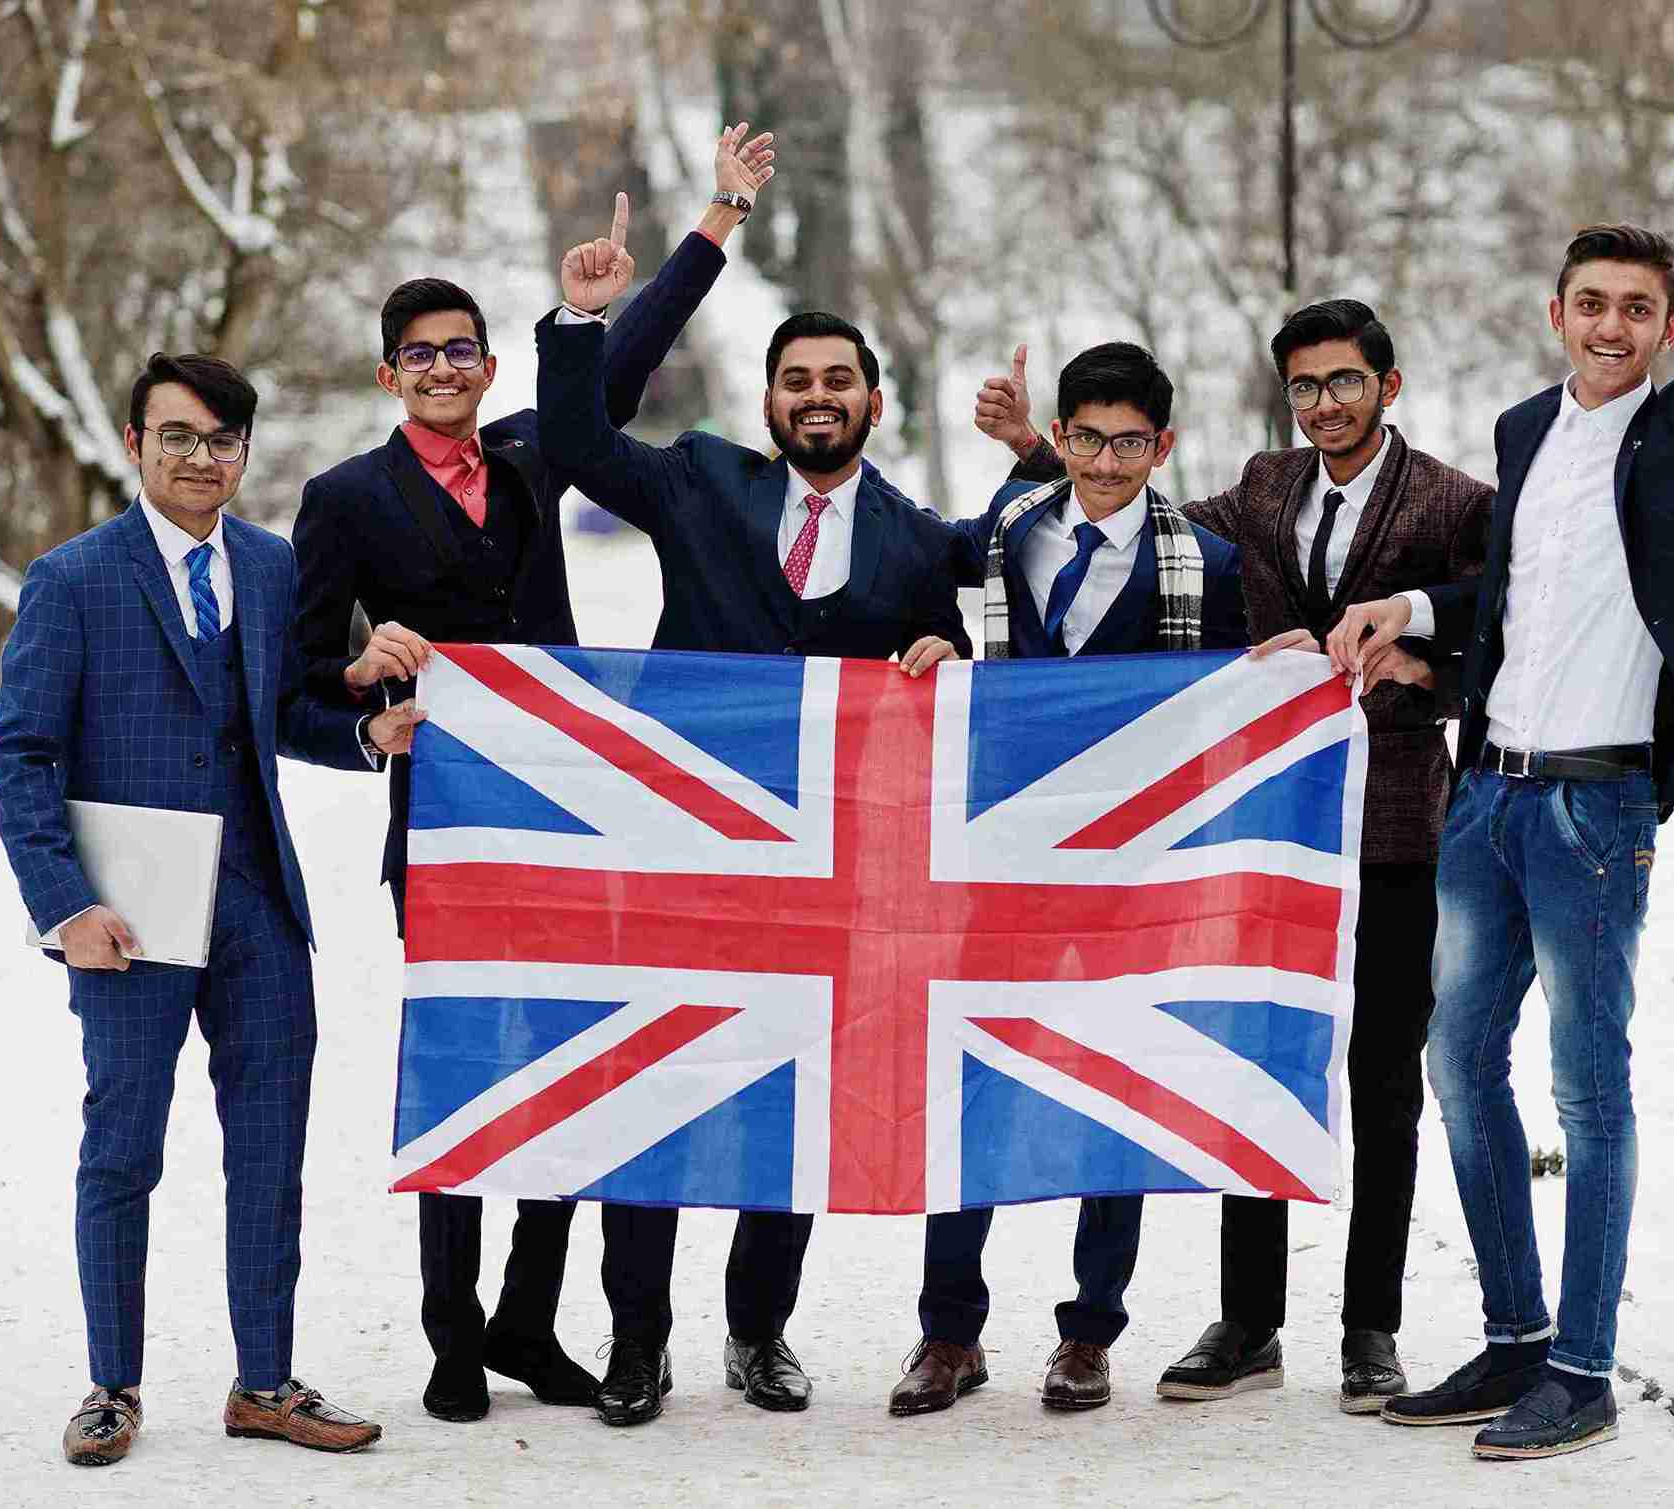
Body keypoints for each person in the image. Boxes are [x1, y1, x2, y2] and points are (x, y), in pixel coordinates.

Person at [1329, 41, 1674, 1460]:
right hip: (1484, 797)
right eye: (1593, 304)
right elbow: (1516, 597)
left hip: (1598, 807)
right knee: (1455, 1060)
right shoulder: (1522, 431)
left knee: (1588, 1086)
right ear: (1557, 312)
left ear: (1666, 327)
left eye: (1638, 309)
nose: (1611, 325)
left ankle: (1588, 1361)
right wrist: (1416, 606)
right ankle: (1509, 1339)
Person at [290, 124, 776, 1426]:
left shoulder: (528, 451)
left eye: (464, 349)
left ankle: (526, 1318)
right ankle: (454, 1336)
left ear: (488, 365)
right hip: (448, 824)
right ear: (390, 374)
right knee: (466, 1075)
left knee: (577, 1073)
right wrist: (363, 717)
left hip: (578, 819)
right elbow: (287, 688)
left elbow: (617, 363)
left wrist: (713, 221)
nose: (445, 369)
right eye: (422, 354)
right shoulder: (342, 500)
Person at [975, 300, 1492, 1413]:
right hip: (1267, 829)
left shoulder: (1454, 501)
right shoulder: (1263, 490)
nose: (1324, 405)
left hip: (1399, 817)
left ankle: (1371, 1327)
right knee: (1249, 1058)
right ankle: (1249, 1320)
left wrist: (1426, 666)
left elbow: (1499, 620)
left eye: (1344, 382)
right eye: (1304, 387)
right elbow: (1124, 511)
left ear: (1388, 387)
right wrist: (1034, 447)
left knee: (1384, 1075)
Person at [534, 225, 970, 1427]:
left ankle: (759, 1331)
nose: (816, 398)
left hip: (826, 868)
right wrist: (583, 324)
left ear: (874, 402)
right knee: (656, 1086)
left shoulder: (923, 543)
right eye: (796, 380)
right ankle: (637, 1341)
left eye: (838, 380)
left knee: (790, 1094)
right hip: (684, 851)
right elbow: (569, 442)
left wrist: (948, 649)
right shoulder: (698, 480)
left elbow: (973, 674)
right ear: (768, 398)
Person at [0, 352, 424, 1467]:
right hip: (127, 917)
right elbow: (24, 757)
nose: (202, 458)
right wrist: (64, 905)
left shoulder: (272, 570)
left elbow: (280, 714)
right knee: (122, 1149)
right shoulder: (73, 579)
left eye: (222, 440)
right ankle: (111, 1386)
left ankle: (265, 1381)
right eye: (178, 436)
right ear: (134, 443)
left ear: (244, 451)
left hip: (259, 905)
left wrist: (363, 733)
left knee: (271, 1149)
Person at [891, 341, 1249, 1415]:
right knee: (972, 1083)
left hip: (1129, 872)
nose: (1104, 460)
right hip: (999, 856)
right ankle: (948, 1332)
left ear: (1164, 446)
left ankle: (1091, 1332)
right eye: (1085, 437)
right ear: (1061, 433)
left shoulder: (1208, 567)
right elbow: (916, 590)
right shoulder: (1008, 530)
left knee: (1115, 1084)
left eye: (1128, 441)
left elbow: (1229, 712)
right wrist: (934, 652)